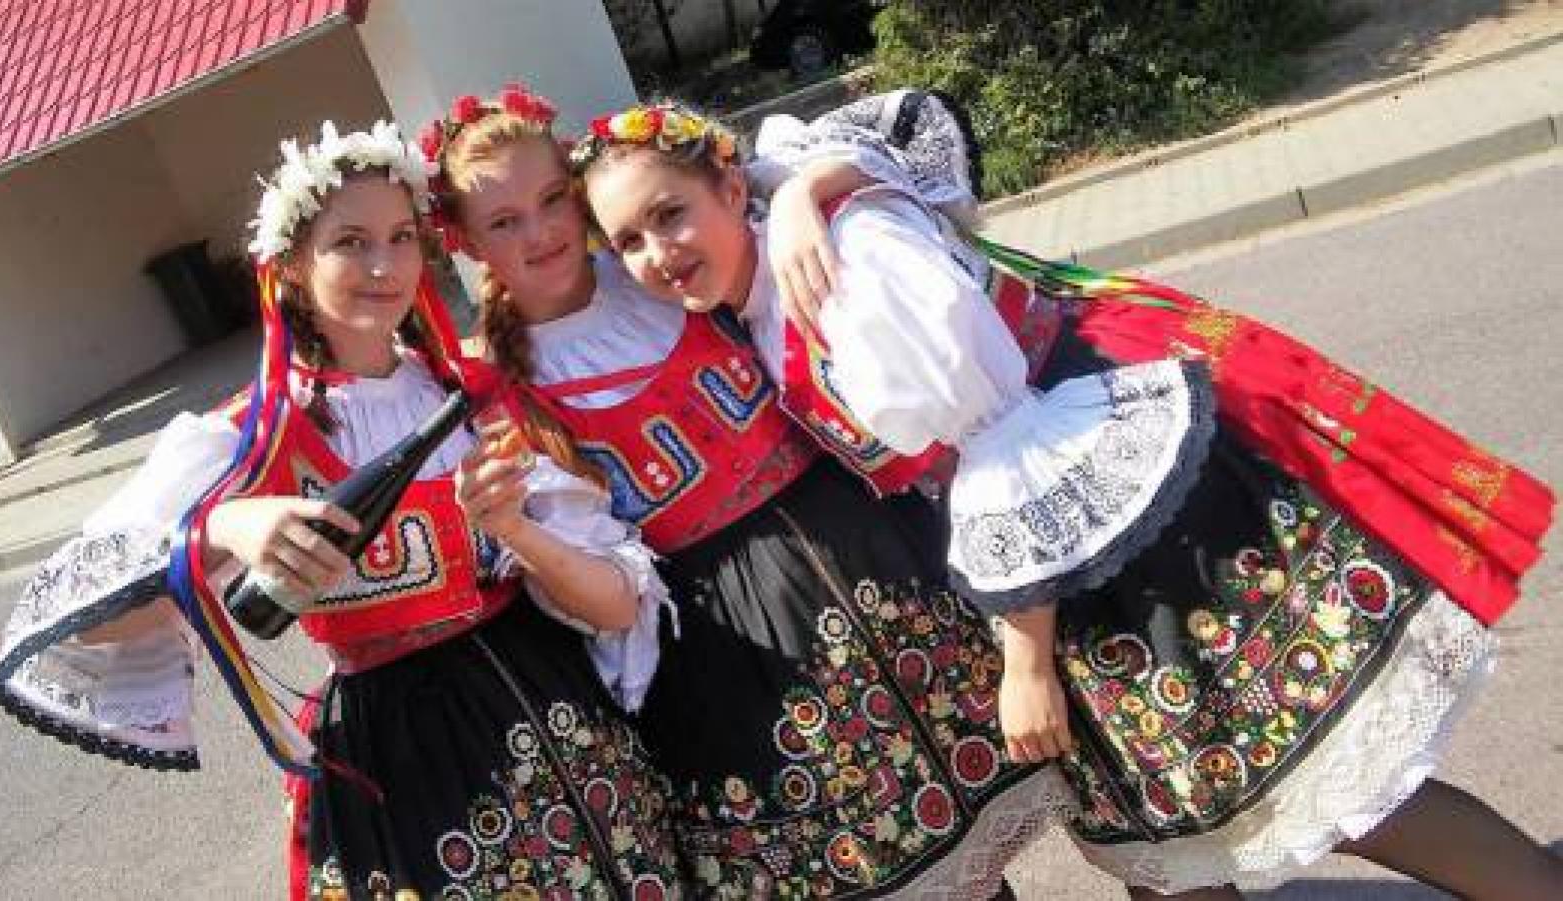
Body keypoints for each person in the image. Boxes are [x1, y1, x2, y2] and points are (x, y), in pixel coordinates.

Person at [569, 97, 1563, 900]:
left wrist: (1027, 661)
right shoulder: (761, 284)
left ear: (729, 185)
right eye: (630, 240)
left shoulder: (850, 268)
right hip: (1055, 556)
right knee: (1163, 829)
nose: (657, 251)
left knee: (1307, 779)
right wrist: (807, 185)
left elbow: (1006, 444)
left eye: (670, 213)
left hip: (1109, 527)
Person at [0, 121, 687, 900]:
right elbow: (81, 625)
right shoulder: (253, 434)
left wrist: (519, 529)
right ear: (292, 264)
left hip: (555, 708)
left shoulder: (472, 397)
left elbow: (615, 599)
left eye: (400, 238)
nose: (384, 266)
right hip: (400, 756)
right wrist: (223, 526)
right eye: (351, 242)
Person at [419, 86, 1079, 899]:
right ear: (464, 241)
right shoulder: (500, 392)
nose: (541, 231)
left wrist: (802, 194)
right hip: (741, 659)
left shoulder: (662, 263)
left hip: (877, 566)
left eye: (553, 199)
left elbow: (805, 165)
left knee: (974, 851)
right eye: (503, 221)